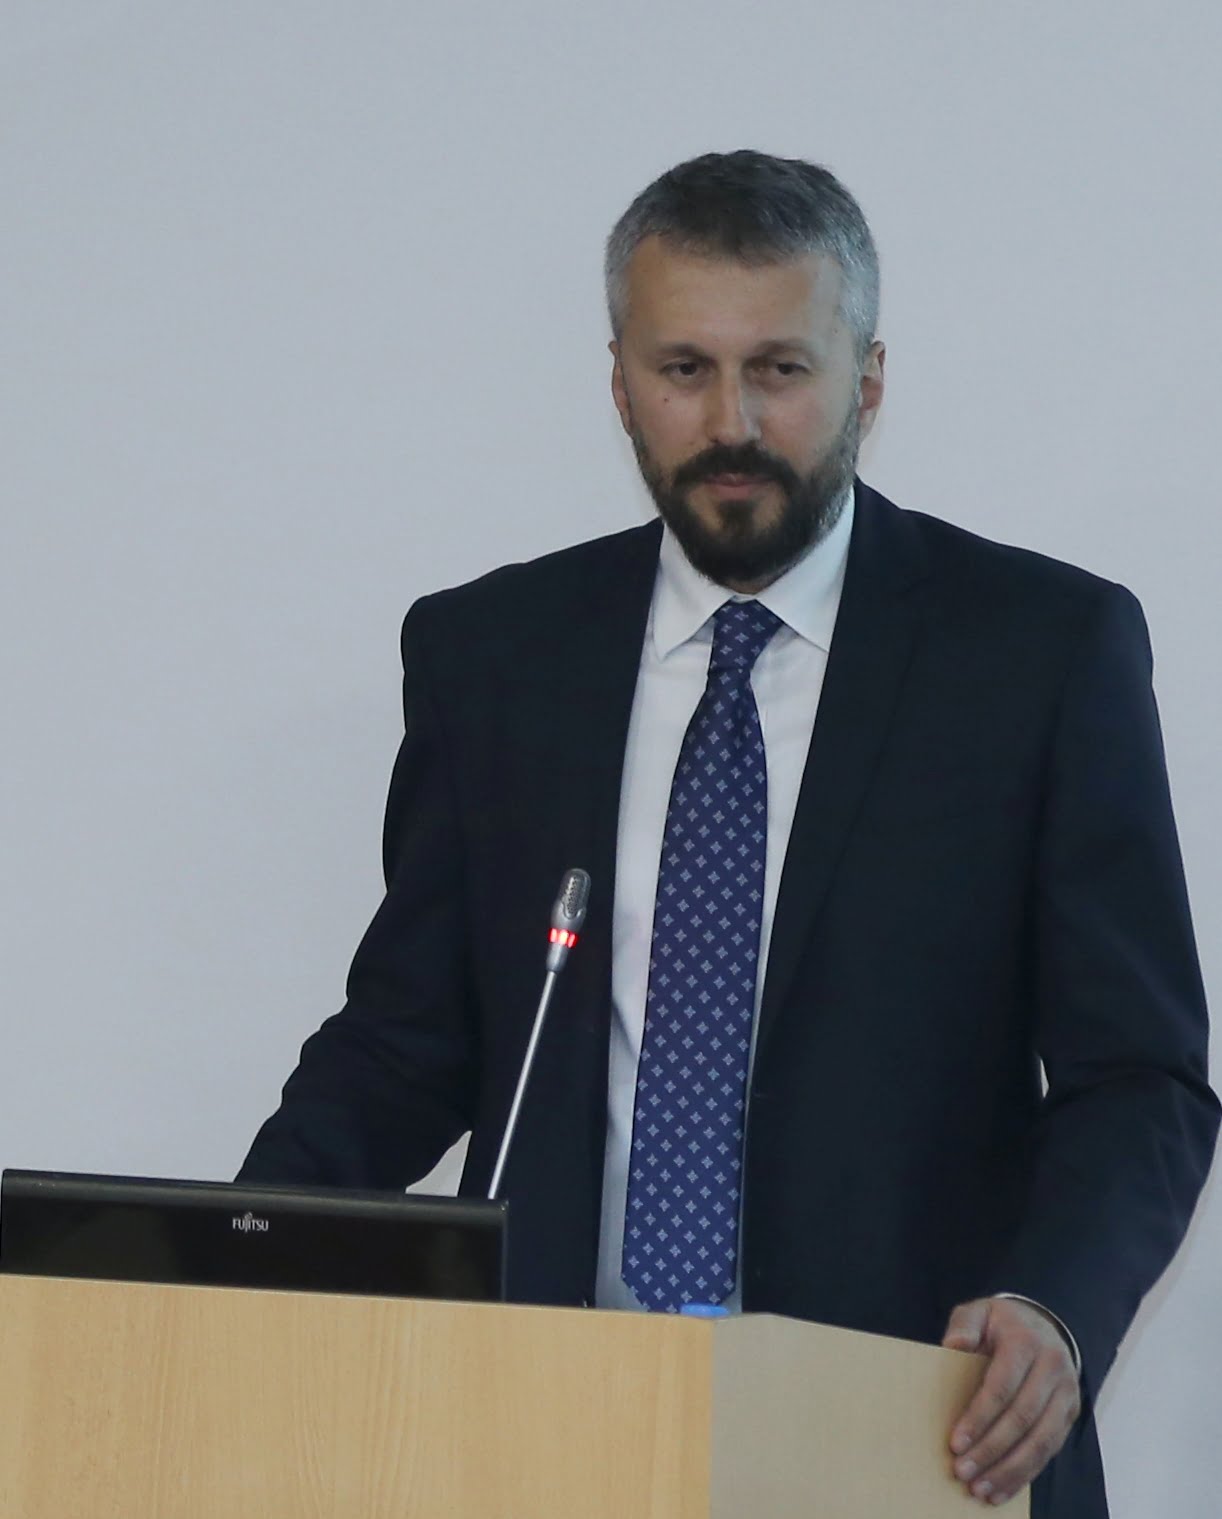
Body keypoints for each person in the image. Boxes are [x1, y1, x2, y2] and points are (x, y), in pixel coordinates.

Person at [238, 150, 1218, 1516]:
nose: (731, 422)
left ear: (868, 380)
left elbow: (1138, 1076)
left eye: (781, 370)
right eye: (684, 369)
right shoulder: (494, 655)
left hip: (914, 1433)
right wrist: (231, 1252)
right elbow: (414, 1039)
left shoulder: (1039, 652)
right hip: (549, 1431)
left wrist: (1053, 1308)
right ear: (619, 382)